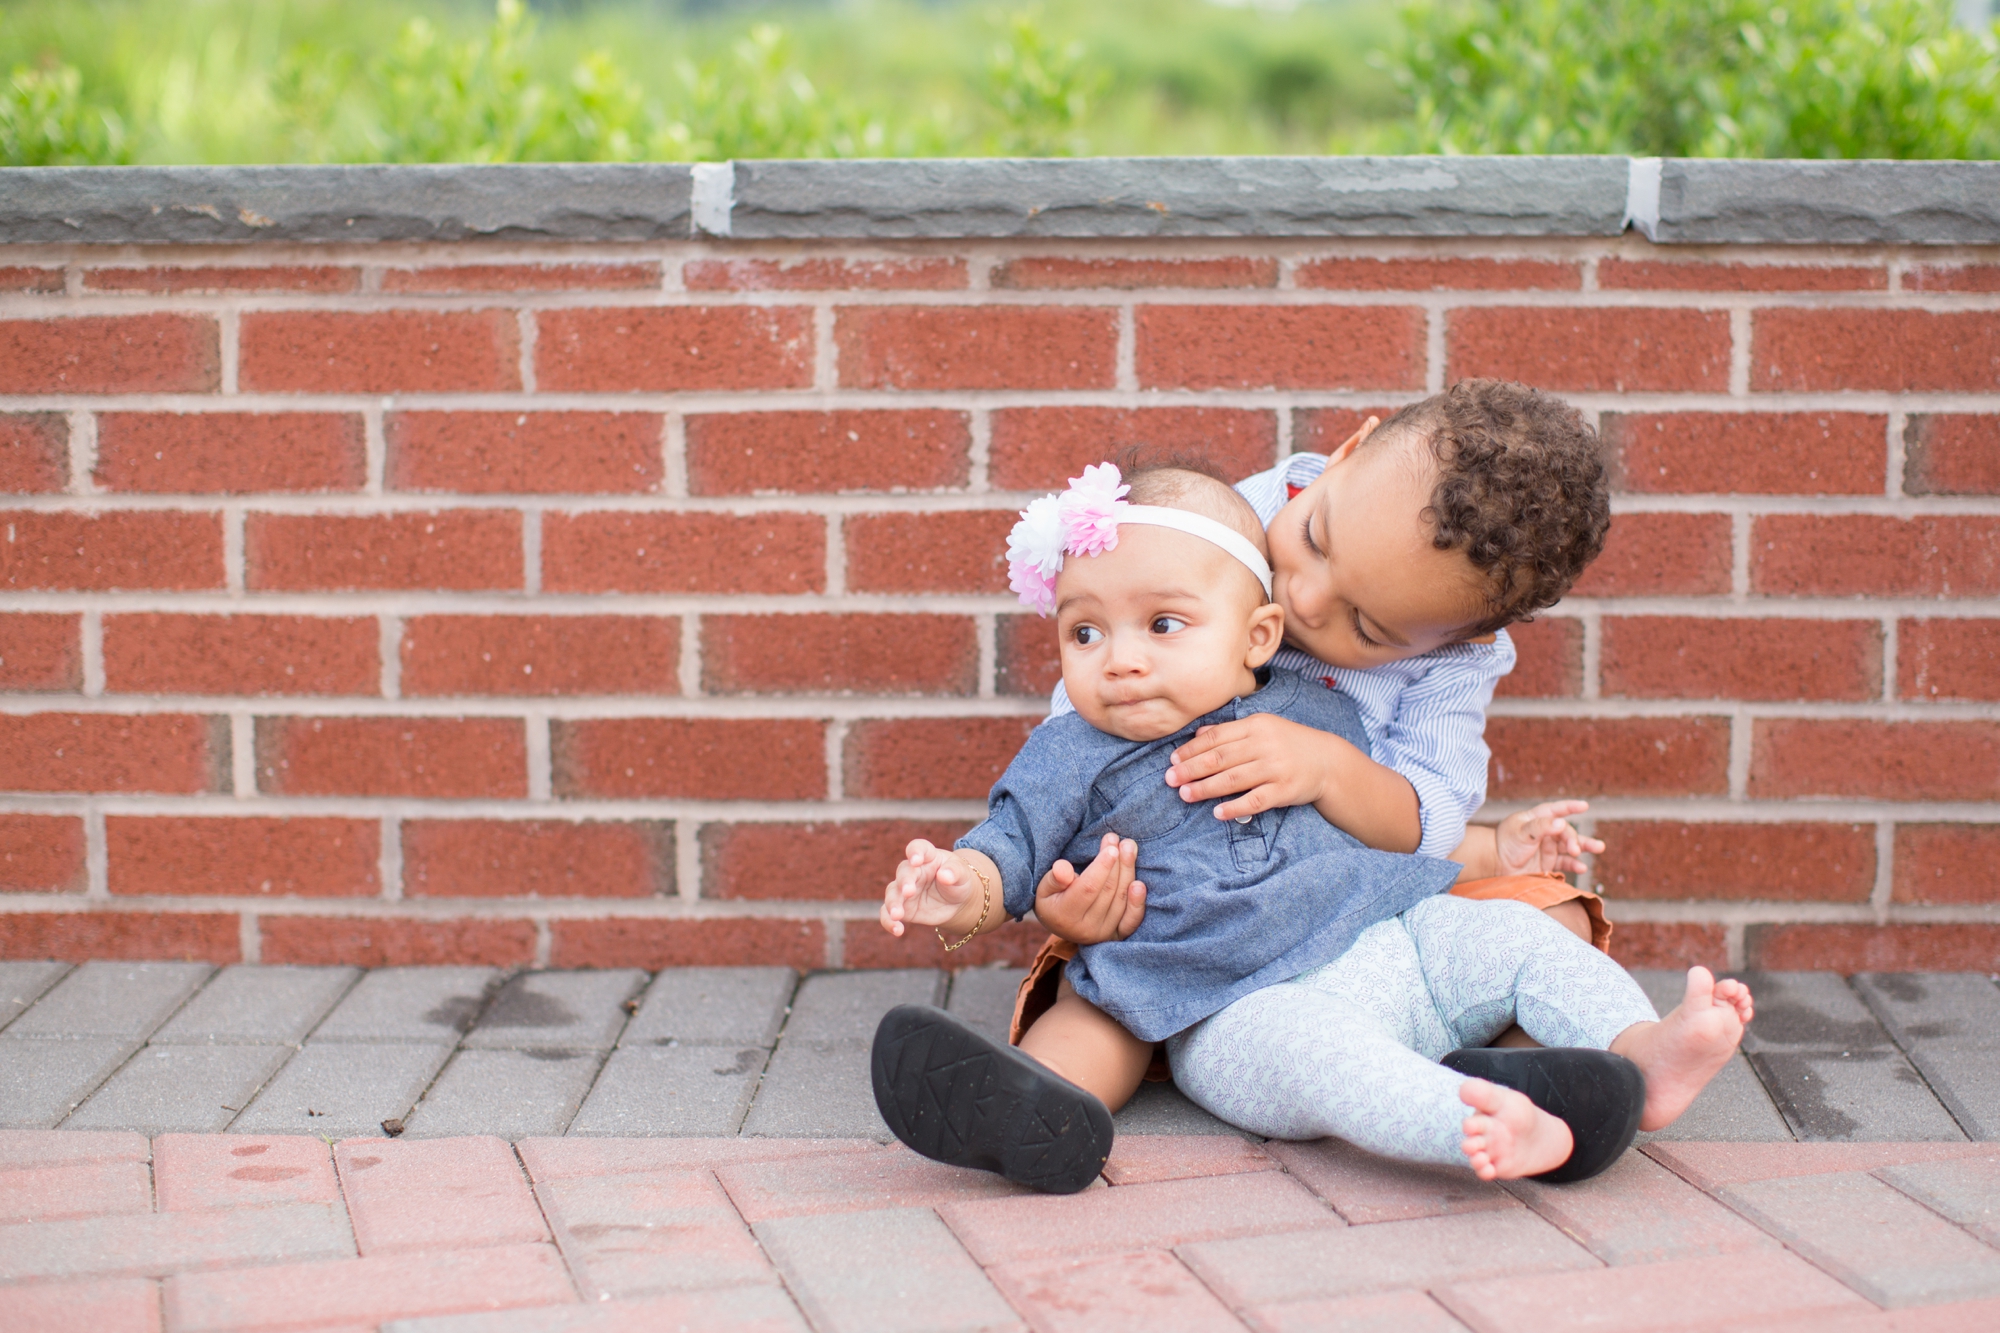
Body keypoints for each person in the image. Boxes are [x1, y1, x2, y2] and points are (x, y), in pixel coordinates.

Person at [872, 463, 1753, 1193]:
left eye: (1163, 624)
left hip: (1399, 932)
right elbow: (1010, 848)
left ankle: (1643, 1050)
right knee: (1320, 1060)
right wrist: (958, 887)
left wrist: (1493, 848)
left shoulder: (1311, 710)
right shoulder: (1071, 750)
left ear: (1258, 636)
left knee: (1523, 936)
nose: (1123, 657)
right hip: (1239, 999)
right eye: (1085, 632)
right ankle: (1469, 1120)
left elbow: (1388, 824)